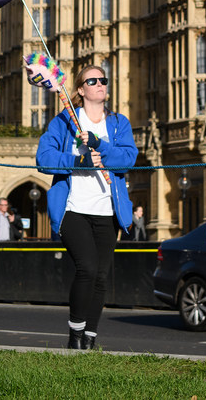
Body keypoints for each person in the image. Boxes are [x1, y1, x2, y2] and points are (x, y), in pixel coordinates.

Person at [36, 64, 138, 350]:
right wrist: (79, 161)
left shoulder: (118, 123)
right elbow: (43, 158)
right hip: (74, 208)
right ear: (80, 90)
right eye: (92, 81)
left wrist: (99, 145)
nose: (100, 84)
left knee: (101, 276)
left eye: (103, 79)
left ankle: (90, 338)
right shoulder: (64, 122)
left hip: (107, 210)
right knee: (87, 268)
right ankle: (75, 335)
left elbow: (129, 159)